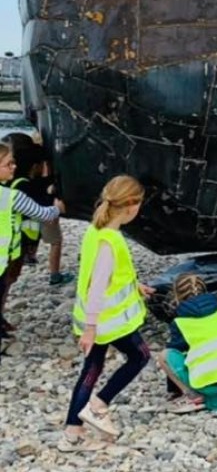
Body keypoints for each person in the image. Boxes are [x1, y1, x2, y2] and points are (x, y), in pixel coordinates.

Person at [64, 175, 155, 448]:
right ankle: (98, 404)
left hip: (95, 319)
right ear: (130, 206)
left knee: (91, 369)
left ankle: (72, 433)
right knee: (139, 356)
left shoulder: (96, 231)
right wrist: (91, 328)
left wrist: (135, 285)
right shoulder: (110, 241)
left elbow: (103, 273)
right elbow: (98, 285)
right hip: (106, 321)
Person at [0, 140, 64, 342]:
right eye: (8, 164)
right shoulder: (11, 196)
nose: (13, 167)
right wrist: (58, 208)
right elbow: (42, 213)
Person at [158, 273, 217, 414]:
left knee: (165, 355)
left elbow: (176, 352)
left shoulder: (180, 323)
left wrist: (173, 389)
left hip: (207, 384)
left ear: (176, 296)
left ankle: (193, 395)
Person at [9, 134, 72, 287]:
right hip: (24, 232)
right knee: (55, 241)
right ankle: (54, 275)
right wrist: (56, 206)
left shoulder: (13, 180)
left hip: (19, 237)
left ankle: (31, 257)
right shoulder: (24, 184)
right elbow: (41, 211)